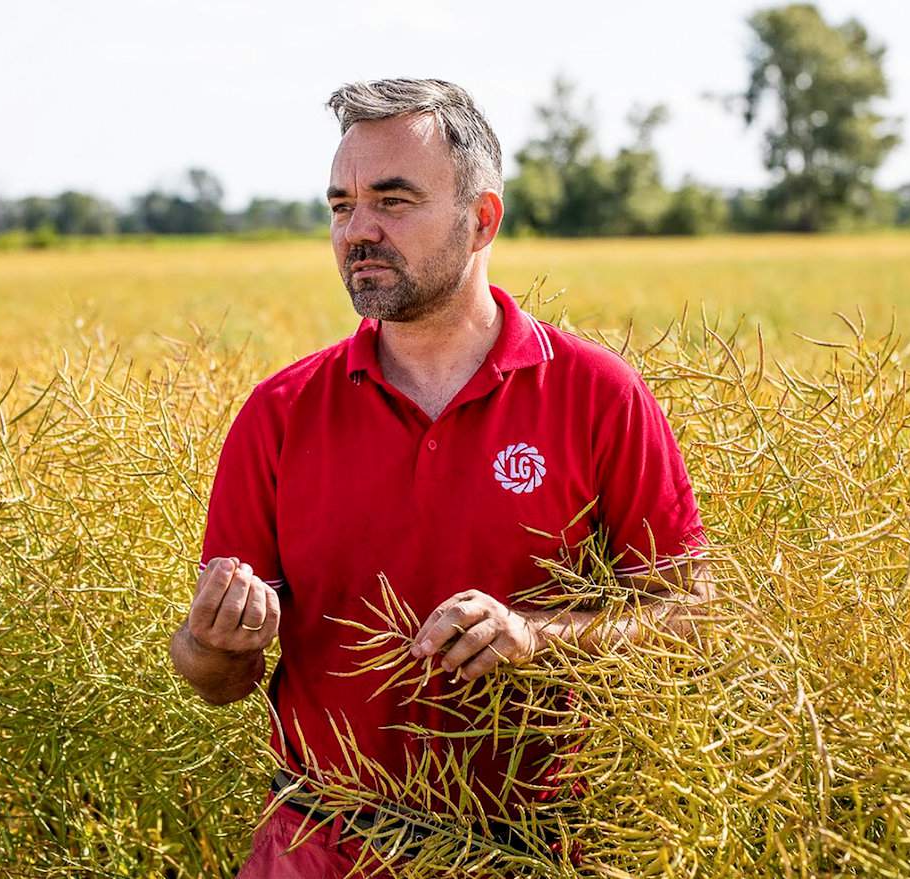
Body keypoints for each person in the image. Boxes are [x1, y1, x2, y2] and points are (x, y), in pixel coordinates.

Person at [168, 78, 714, 879]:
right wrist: (208, 642)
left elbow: (692, 620)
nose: (358, 230)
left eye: (392, 201)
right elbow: (219, 680)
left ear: (481, 217)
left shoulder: (596, 394)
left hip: (534, 848)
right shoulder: (280, 411)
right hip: (321, 844)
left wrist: (536, 636)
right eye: (340, 205)